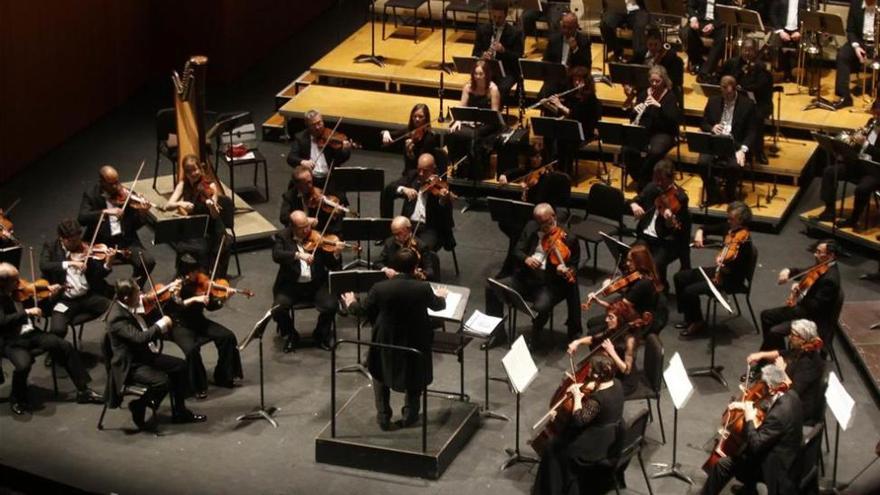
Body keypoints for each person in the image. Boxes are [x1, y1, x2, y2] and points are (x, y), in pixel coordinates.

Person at [341, 248, 447, 430]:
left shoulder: (380, 288)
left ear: (393, 266)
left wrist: (351, 302)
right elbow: (438, 307)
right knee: (414, 374)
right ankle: (410, 415)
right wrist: (442, 297)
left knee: (380, 373)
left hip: (386, 337)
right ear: (415, 267)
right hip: (415, 338)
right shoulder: (422, 288)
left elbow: (362, 311)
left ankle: (383, 416)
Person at [0, 263, 103, 415]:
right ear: (3, 283)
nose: (20, 283)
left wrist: (51, 295)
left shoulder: (20, 290)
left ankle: (83, 391)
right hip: (12, 341)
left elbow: (43, 309)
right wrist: (26, 313)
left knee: (64, 345)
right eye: (15, 281)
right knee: (23, 365)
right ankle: (17, 398)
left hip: (31, 333)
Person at [106, 278, 206, 430]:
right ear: (126, 297)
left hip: (144, 355)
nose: (141, 295)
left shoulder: (128, 304)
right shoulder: (117, 318)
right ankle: (139, 405)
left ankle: (180, 412)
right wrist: (161, 325)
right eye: (137, 292)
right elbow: (140, 338)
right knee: (162, 381)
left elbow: (147, 308)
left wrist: (171, 295)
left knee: (180, 366)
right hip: (131, 364)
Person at [485, 203, 583, 344]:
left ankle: (535, 334)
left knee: (542, 307)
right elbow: (517, 250)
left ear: (553, 216)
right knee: (491, 288)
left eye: (546, 222)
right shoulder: (531, 227)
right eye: (540, 223)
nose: (543, 227)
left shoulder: (569, 238)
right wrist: (526, 259)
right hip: (525, 278)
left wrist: (564, 270)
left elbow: (574, 266)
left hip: (548, 284)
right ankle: (497, 333)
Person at [699, 364, 803, 495]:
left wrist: (749, 419)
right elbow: (770, 406)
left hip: (774, 467)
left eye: (762, 386)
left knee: (722, 465)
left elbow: (756, 445)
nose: (758, 388)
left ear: (771, 389)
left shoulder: (778, 415)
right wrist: (744, 405)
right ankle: (749, 490)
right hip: (788, 454)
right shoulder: (791, 395)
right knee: (743, 449)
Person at [532, 354, 624, 495]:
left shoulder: (597, 400)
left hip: (592, 449)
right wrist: (585, 386)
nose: (587, 374)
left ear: (596, 375)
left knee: (553, 447)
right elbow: (600, 388)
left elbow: (578, 419)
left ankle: (551, 490)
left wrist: (576, 395)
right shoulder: (617, 384)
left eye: (590, 371)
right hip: (611, 440)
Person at [165, 254, 243, 399]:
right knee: (191, 350)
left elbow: (211, 306)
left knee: (228, 336)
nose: (199, 274)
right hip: (180, 325)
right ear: (186, 273)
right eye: (195, 272)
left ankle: (223, 376)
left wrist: (224, 298)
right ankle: (197, 386)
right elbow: (177, 306)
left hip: (198, 321)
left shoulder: (201, 282)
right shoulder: (176, 286)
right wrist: (195, 299)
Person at [675, 202, 754, 338]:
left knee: (689, 291)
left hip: (730, 278)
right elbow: (707, 228)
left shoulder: (745, 243)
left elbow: (740, 271)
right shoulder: (728, 229)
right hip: (719, 271)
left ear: (741, 220)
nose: (728, 221)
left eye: (731, 219)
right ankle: (690, 317)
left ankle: (697, 322)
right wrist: (700, 232)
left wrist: (725, 267)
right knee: (680, 277)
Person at [271, 210, 343, 353]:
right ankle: (291, 335)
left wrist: (335, 254)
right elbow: (277, 255)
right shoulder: (283, 237)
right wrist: (299, 255)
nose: (307, 230)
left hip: (316, 284)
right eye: (302, 227)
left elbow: (332, 265)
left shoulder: (317, 237)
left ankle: (321, 335)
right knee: (277, 309)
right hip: (292, 286)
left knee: (331, 305)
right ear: (292, 227)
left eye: (307, 225)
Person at [78, 165, 155, 287]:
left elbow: (134, 225)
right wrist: (104, 212)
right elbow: (82, 218)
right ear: (102, 182)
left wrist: (142, 213)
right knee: (88, 267)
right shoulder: (92, 194)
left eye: (117, 182)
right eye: (111, 184)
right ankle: (100, 290)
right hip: (100, 241)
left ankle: (133, 289)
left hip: (125, 240)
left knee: (148, 261)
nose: (116, 186)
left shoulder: (126, 195)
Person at [760, 240, 842, 351]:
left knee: (772, 327)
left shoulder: (831, 279)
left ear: (831, 255)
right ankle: (774, 353)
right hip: (805, 310)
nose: (815, 254)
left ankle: (779, 354)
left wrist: (800, 291)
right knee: (766, 316)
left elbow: (815, 307)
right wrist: (788, 271)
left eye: (818, 252)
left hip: (812, 318)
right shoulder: (823, 265)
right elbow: (805, 271)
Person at [40, 218, 113, 342]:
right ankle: (55, 354)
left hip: (88, 296)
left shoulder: (86, 248)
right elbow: (44, 265)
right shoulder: (51, 247)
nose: (77, 244)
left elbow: (98, 274)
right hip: (64, 300)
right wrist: (69, 263)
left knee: (115, 311)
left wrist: (108, 264)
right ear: (62, 239)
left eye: (78, 239)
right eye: (73, 241)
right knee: (58, 330)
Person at [745, 319, 826, 426]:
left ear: (803, 339)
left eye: (793, 335)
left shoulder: (809, 364)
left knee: (755, 417)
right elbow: (783, 353)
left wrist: (781, 371)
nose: (789, 337)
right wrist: (761, 355)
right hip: (787, 398)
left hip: (796, 409)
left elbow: (793, 393)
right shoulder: (800, 349)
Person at [814, 100, 880, 230]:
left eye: (879, 115)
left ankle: (854, 219)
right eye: (875, 114)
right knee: (829, 172)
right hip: (859, 164)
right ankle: (829, 211)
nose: (876, 118)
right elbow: (859, 146)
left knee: (862, 189)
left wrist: (865, 145)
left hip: (875, 170)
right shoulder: (872, 122)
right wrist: (850, 143)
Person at [162, 155, 231, 277]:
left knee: (204, 249)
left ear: (200, 168)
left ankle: (203, 276)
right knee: (183, 247)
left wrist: (211, 206)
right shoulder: (183, 185)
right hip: (195, 225)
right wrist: (180, 203)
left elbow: (215, 216)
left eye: (195, 169)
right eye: (189, 171)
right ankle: (185, 274)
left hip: (212, 226)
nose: (193, 174)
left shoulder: (210, 186)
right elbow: (167, 206)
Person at [568, 299, 653, 395]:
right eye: (607, 316)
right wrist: (577, 342)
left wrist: (611, 351)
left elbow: (626, 370)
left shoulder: (630, 340)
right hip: (611, 372)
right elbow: (594, 339)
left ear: (620, 319)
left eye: (610, 317)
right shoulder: (614, 329)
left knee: (593, 394)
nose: (606, 320)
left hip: (623, 381)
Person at [629, 160, 691, 290]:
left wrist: (669, 220)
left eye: (661, 180)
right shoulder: (652, 187)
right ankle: (636, 292)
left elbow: (678, 229)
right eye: (655, 178)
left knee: (653, 266)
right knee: (630, 258)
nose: (657, 183)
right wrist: (634, 205)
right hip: (645, 237)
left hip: (664, 242)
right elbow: (637, 199)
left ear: (672, 178)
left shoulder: (681, 198)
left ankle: (660, 291)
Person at [379, 104, 447, 219]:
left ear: (426, 119)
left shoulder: (429, 138)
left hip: (420, 177)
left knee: (411, 196)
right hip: (408, 176)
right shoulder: (408, 132)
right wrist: (385, 133)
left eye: (421, 117)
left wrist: (411, 152)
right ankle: (386, 223)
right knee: (387, 190)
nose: (417, 119)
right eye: (415, 116)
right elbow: (390, 135)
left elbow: (421, 164)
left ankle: (405, 224)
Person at [698, 75, 757, 205]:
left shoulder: (747, 105)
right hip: (715, 141)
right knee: (702, 163)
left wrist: (743, 149)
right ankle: (713, 194)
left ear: (735, 89)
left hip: (735, 144)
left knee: (734, 166)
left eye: (729, 93)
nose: (726, 96)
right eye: (723, 92)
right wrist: (712, 127)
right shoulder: (713, 101)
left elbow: (752, 131)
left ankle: (730, 194)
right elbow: (703, 123)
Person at [621, 65, 682, 192]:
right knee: (627, 149)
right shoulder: (644, 94)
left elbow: (673, 121)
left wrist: (659, 107)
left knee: (655, 152)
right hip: (645, 130)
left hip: (664, 132)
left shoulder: (670, 96)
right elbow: (634, 119)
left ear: (664, 80)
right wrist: (635, 111)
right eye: (652, 81)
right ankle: (640, 178)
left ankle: (644, 182)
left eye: (657, 81)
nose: (654, 84)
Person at [582, 244, 663, 334]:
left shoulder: (643, 284)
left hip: (634, 320)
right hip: (631, 311)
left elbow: (619, 309)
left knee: (592, 327)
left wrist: (599, 302)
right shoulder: (643, 274)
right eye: (628, 260)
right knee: (592, 323)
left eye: (631, 261)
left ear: (640, 262)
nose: (627, 264)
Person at [539, 66, 602, 177]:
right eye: (575, 79)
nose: (576, 82)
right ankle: (549, 168)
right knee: (548, 135)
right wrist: (548, 105)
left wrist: (559, 104)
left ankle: (564, 173)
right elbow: (562, 113)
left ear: (586, 81)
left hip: (584, 130)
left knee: (564, 140)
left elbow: (577, 116)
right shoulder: (571, 95)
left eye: (580, 80)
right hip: (570, 128)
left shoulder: (590, 98)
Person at [720, 39, 773, 164]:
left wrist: (743, 88)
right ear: (741, 49)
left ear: (755, 51)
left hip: (757, 102)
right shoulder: (731, 63)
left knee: (757, 117)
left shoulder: (761, 67)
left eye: (750, 50)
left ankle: (758, 151)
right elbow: (722, 79)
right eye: (745, 49)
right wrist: (739, 74)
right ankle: (726, 146)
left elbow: (761, 87)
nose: (747, 53)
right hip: (733, 100)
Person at [447, 60, 502, 180]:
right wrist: (458, 121)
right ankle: (457, 164)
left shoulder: (493, 89)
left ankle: (475, 172)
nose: (477, 77)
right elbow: (462, 107)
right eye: (475, 74)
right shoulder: (468, 87)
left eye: (481, 74)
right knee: (452, 132)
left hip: (488, 124)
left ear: (487, 74)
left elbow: (494, 114)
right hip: (470, 121)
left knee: (475, 137)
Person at [396, 153, 456, 252]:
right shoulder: (413, 176)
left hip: (430, 228)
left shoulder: (440, 185)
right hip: (409, 225)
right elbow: (391, 187)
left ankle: (422, 267)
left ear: (434, 169)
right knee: (393, 244)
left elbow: (446, 216)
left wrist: (443, 200)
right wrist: (404, 189)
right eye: (419, 169)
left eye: (425, 171)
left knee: (421, 249)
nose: (421, 173)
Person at [472, 0, 524, 103]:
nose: (496, 20)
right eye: (494, 17)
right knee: (474, 85)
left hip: (507, 71)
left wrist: (503, 51)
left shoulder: (515, 33)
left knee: (502, 88)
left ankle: (494, 112)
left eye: (499, 17)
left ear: (506, 15)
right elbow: (475, 52)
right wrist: (483, 55)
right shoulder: (483, 29)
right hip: (487, 69)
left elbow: (518, 57)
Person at [286, 109, 352, 187]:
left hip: (329, 178)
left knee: (341, 198)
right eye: (313, 125)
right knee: (292, 195)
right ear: (307, 126)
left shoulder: (331, 136)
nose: (317, 127)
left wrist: (345, 150)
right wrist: (303, 162)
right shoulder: (301, 137)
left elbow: (341, 158)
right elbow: (290, 158)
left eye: (319, 123)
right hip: (310, 179)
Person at [833, 0, 879, 109]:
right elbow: (850, 30)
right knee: (842, 55)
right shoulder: (856, 4)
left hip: (877, 42)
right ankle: (845, 96)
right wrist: (856, 46)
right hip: (860, 42)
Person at [279, 166, 344, 234]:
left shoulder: (319, 193)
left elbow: (330, 222)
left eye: (310, 181)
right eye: (306, 183)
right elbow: (283, 218)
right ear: (297, 185)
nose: (310, 186)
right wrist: (305, 220)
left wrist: (332, 213)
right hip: (298, 233)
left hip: (317, 231)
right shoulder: (290, 196)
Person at [541, 12, 592, 94]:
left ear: (576, 27)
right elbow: (545, 60)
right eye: (564, 27)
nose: (566, 31)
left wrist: (575, 49)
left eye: (570, 28)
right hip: (556, 77)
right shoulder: (554, 39)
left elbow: (587, 65)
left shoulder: (583, 41)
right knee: (542, 95)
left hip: (574, 78)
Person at [378, 216, 439, 282]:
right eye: (394, 234)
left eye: (399, 233)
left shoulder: (421, 246)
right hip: (394, 282)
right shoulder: (389, 242)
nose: (396, 237)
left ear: (408, 229)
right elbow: (378, 262)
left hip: (413, 283)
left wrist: (418, 273)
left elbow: (430, 272)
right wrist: (386, 269)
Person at [681, 0, 730, 81]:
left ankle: (705, 71)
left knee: (722, 37)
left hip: (717, 24)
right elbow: (690, 6)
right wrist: (693, 19)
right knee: (686, 32)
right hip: (700, 21)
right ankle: (698, 62)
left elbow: (728, 12)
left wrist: (713, 25)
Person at [632, 28, 685, 94]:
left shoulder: (671, 58)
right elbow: (629, 70)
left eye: (656, 44)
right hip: (643, 90)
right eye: (650, 45)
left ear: (661, 42)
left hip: (664, 91)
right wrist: (626, 85)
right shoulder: (640, 53)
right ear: (646, 43)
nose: (653, 48)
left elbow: (675, 83)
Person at [767, 0, 806, 81]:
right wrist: (780, 31)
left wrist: (800, 32)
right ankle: (779, 70)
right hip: (781, 29)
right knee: (772, 44)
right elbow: (772, 13)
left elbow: (809, 17)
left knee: (804, 47)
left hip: (798, 31)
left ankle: (796, 73)